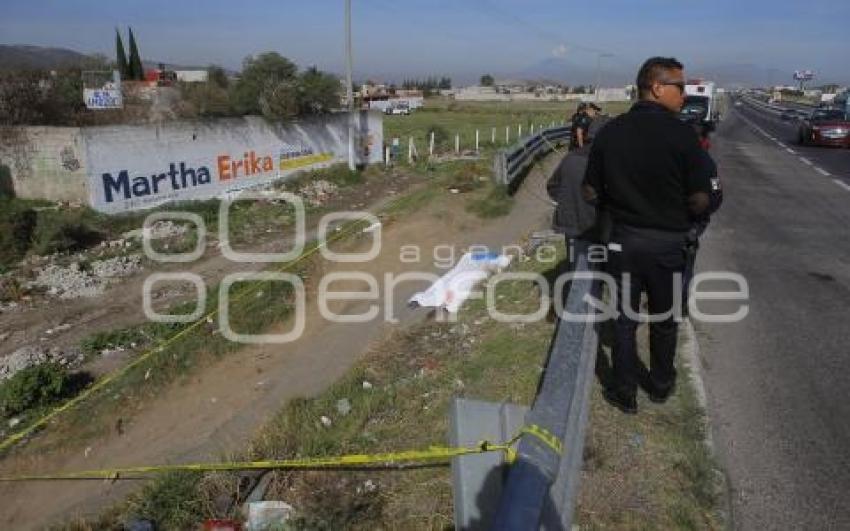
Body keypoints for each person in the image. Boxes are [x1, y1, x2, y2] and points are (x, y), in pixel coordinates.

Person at [582, 57, 712, 414]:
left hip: (623, 241)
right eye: (680, 87)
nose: (684, 95)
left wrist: (618, 203)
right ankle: (660, 383)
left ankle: (624, 391)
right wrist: (682, 213)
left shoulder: (610, 131)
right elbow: (702, 199)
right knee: (665, 318)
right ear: (657, 87)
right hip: (667, 245)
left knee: (624, 319)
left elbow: (589, 192)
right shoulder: (684, 135)